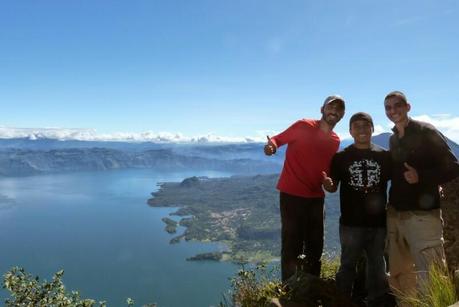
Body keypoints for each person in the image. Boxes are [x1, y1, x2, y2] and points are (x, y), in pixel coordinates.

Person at [383, 91, 459, 300]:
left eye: (397, 105)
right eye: (388, 108)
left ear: (408, 106)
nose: (392, 111)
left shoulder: (426, 131)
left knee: (431, 271)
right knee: (400, 274)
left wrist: (421, 177)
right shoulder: (393, 139)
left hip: (423, 216)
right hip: (397, 214)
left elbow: (453, 167)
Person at [264, 95, 345, 282]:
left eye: (339, 109)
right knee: (292, 245)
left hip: (316, 197)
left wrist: (329, 183)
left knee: (315, 245)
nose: (334, 111)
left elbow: (327, 170)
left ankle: (311, 286)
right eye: (330, 106)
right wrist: (271, 147)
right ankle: (289, 290)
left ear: (342, 115)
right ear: (322, 109)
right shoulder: (303, 126)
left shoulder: (335, 140)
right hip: (291, 195)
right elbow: (277, 139)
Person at [322, 112, 391, 306]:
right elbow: (333, 186)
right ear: (350, 131)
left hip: (378, 223)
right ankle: (341, 301)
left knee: (377, 264)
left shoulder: (385, 156)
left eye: (365, 125)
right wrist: (328, 185)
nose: (362, 129)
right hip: (351, 223)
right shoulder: (341, 157)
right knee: (347, 265)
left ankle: (378, 300)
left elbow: (400, 181)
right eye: (357, 126)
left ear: (372, 129)